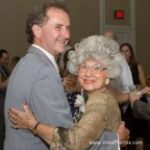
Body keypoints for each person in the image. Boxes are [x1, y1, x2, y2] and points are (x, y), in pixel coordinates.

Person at [8, 35, 127, 150]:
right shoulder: (92, 95)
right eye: (84, 67)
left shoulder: (100, 102)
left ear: (109, 74)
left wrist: (33, 125)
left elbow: (74, 142)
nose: (88, 73)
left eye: (97, 68)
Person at [4, 2, 73, 150]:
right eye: (58, 27)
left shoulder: (25, 62)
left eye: (68, 28)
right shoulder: (44, 71)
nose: (67, 35)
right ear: (37, 30)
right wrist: (114, 140)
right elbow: (66, 141)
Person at [120, 42, 149, 150]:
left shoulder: (137, 66)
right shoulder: (117, 68)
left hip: (138, 101)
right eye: (122, 51)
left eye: (126, 51)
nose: (124, 53)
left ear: (131, 53)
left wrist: (137, 87)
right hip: (124, 102)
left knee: (139, 133)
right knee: (126, 133)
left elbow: (144, 85)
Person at [0, 49, 10, 149]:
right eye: (5, 59)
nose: (7, 61)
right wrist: (12, 77)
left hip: (5, 104)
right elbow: (1, 86)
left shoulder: (5, 69)